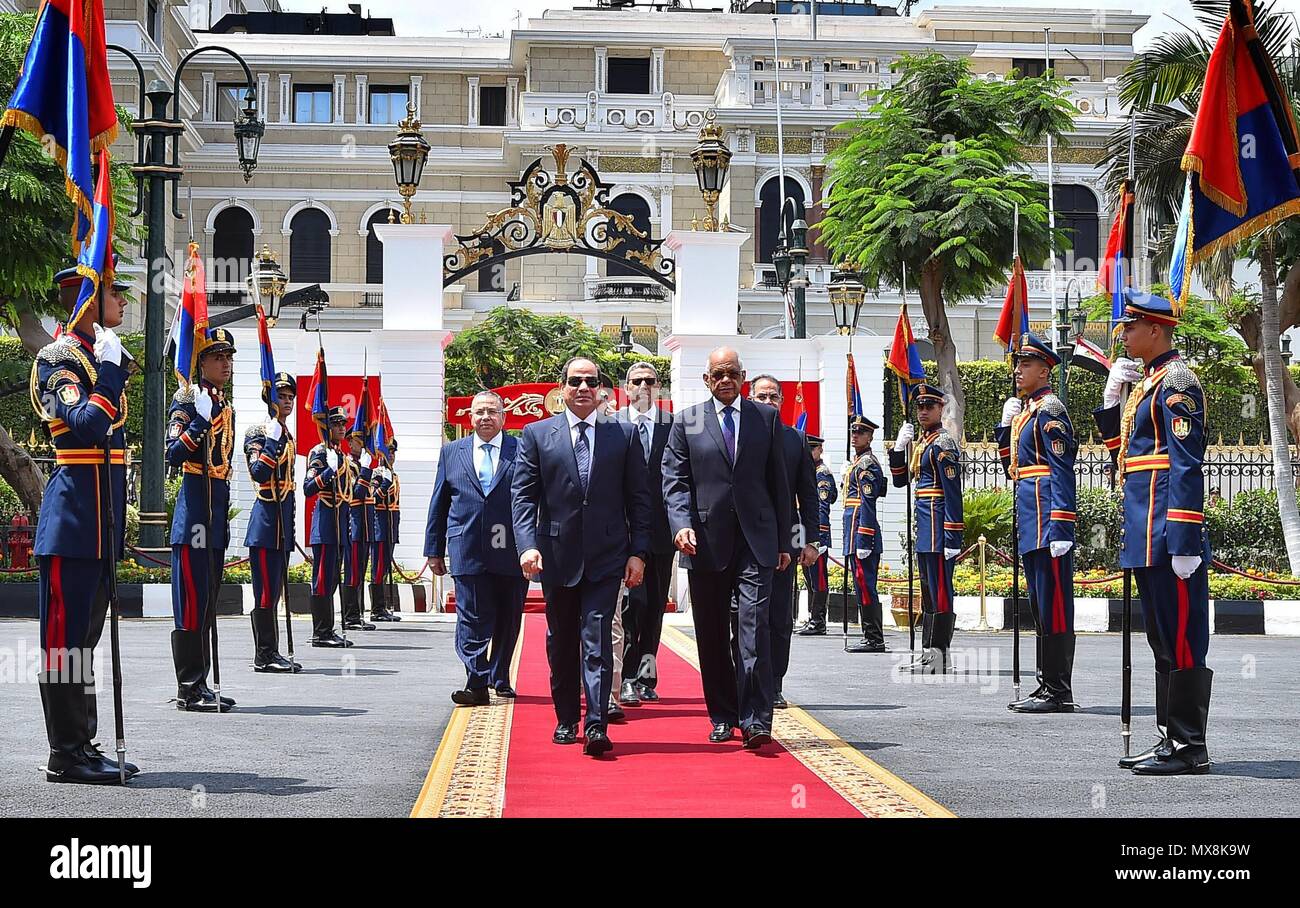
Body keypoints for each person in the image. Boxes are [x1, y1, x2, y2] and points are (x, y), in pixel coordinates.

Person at [1095, 289, 1212, 776]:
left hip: (1168, 534)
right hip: (1145, 533)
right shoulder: (1150, 383)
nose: (1123, 334)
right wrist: (1110, 400)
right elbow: (1125, 453)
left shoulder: (1178, 383)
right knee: (1162, 639)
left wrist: (1185, 541)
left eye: (1130, 326)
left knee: (1183, 639)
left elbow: (1186, 466)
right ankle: (1170, 738)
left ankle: (1190, 746)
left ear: (1156, 330)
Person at [512, 357, 651, 757]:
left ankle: (595, 724)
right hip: (556, 556)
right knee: (562, 642)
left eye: (591, 381)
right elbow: (523, 496)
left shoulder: (622, 436)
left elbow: (639, 500)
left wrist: (638, 552)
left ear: (602, 390)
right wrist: (527, 545)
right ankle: (566, 718)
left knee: (597, 638)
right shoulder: (537, 435)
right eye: (576, 381)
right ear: (562, 388)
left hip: (608, 557)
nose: (584, 388)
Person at [32, 264, 138, 783]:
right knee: (65, 642)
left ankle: (85, 743)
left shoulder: (93, 359)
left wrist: (111, 365)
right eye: (114, 292)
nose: (123, 300)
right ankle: (65, 753)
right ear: (89, 302)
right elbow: (87, 425)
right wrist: (112, 372)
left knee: (85, 641)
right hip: (73, 524)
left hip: (99, 526)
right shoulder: (57, 362)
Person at [662, 347, 792, 749]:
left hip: (756, 543)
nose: (725, 380)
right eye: (717, 374)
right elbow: (674, 480)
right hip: (705, 543)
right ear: (706, 380)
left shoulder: (765, 418)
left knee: (754, 630)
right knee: (713, 634)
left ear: (743, 376)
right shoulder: (687, 421)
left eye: (732, 373)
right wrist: (681, 527)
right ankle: (722, 715)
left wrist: (786, 541)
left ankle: (756, 719)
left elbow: (779, 484)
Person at [426, 391, 528, 705]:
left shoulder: (521, 450)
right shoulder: (451, 452)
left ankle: (499, 676)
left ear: (503, 417)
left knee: (507, 617)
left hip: (510, 548)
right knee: (470, 617)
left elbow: (533, 500)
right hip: (466, 547)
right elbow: (439, 503)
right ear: (470, 417)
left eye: (492, 412)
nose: (485, 417)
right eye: (479, 412)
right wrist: (434, 549)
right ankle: (477, 680)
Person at [997, 333, 1078, 713]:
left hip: (1048, 519)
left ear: (1045, 370)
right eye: (1018, 363)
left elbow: (1062, 470)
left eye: (1026, 364)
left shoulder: (1051, 410)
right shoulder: (1028, 412)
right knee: (1040, 604)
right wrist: (1004, 427)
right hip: (1032, 519)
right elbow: (1011, 467)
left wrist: (1061, 525)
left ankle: (1059, 689)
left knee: (1054, 604)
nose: (1018, 370)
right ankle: (1046, 683)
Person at [166, 328, 238, 713]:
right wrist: (198, 423)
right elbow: (174, 453)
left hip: (214, 514)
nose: (225, 363)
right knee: (192, 601)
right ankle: (188, 687)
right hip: (194, 510)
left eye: (228, 357)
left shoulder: (223, 404)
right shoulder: (188, 400)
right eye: (217, 357)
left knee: (207, 600)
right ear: (200, 362)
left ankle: (201, 682)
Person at [747, 376, 818, 708]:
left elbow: (807, 496)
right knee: (744, 616)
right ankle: (745, 681)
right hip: (744, 541)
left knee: (778, 616)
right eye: (761, 396)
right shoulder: (739, 435)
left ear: (782, 400)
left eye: (773, 396)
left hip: (784, 542)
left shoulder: (795, 440)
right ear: (750, 398)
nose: (767, 401)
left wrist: (809, 541)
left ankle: (774, 683)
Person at [888, 383, 963, 674]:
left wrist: (952, 534)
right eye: (919, 407)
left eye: (928, 407)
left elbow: (952, 492)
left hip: (940, 530)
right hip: (925, 530)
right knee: (929, 593)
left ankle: (940, 657)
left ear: (940, 409)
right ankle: (928, 655)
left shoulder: (943, 444)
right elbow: (900, 481)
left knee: (941, 592)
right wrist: (897, 449)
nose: (922, 412)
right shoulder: (923, 443)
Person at [614, 361, 675, 705]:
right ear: (626, 388)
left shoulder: (674, 426)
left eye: (650, 381)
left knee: (653, 607)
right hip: (621, 534)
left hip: (662, 532)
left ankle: (646, 677)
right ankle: (624, 676)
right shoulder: (611, 425)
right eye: (636, 381)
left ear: (658, 387)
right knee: (627, 606)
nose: (643, 386)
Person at [243, 371, 301, 673]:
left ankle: (272, 650)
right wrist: (272, 442)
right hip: (265, 524)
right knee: (265, 592)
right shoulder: (258, 432)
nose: (287, 401)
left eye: (291, 397)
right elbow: (259, 473)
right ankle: (264, 654)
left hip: (282, 525)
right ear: (270, 398)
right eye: (282, 396)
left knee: (275, 590)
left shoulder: (286, 434)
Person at [304, 406, 352, 647]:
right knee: (322, 579)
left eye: (343, 424)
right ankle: (320, 632)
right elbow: (308, 488)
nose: (342, 428)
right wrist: (327, 472)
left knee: (332, 579)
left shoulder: (340, 455)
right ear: (326, 426)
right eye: (336, 424)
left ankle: (328, 629)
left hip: (339, 525)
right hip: (324, 524)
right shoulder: (320, 453)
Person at [843, 415, 889, 653]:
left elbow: (868, 502)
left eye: (860, 433)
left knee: (866, 585)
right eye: (853, 432)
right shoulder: (858, 462)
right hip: (854, 532)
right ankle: (870, 635)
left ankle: (874, 638)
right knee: (861, 585)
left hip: (861, 532)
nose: (855, 436)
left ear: (870, 436)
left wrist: (864, 537)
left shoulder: (867, 464)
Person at [796, 435, 837, 636]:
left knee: (818, 578)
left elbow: (822, 507)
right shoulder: (809, 471)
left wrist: (816, 537)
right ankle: (813, 617)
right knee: (809, 578)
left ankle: (819, 620)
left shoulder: (822, 474)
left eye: (812, 449)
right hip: (806, 534)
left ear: (820, 449)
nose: (808, 453)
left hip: (817, 534)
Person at [341, 425, 376, 632]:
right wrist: (365, 470)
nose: (361, 445)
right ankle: (350, 615)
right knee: (352, 573)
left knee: (360, 572)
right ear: (349, 442)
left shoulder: (362, 465)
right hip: (353, 524)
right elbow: (357, 493)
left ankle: (358, 613)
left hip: (364, 525)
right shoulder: (347, 464)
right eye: (357, 441)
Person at [370, 440, 402, 622]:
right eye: (388, 452)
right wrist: (383, 485)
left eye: (393, 452)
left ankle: (382, 607)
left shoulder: (393, 474)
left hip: (390, 527)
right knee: (379, 568)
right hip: (380, 527)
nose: (391, 455)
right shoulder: (377, 474)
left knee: (384, 567)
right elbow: (373, 497)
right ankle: (377, 608)